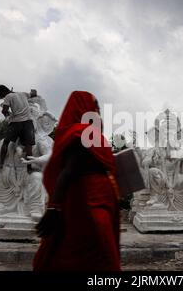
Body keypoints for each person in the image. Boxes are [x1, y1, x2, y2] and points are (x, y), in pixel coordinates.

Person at [33, 91, 121, 271]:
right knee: (95, 255)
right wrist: (53, 208)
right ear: (83, 109)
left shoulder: (91, 134)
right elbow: (68, 171)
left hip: (98, 203)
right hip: (90, 206)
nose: (97, 111)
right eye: (94, 106)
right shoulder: (80, 133)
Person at [0, 85, 37, 173]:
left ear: (3, 92)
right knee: (28, 145)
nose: (2, 97)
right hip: (28, 122)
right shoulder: (23, 94)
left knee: (6, 142)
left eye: (1, 96)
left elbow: (4, 110)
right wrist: (33, 90)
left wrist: (7, 115)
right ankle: (29, 168)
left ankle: (1, 162)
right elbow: (34, 93)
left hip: (16, 122)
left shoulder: (8, 96)